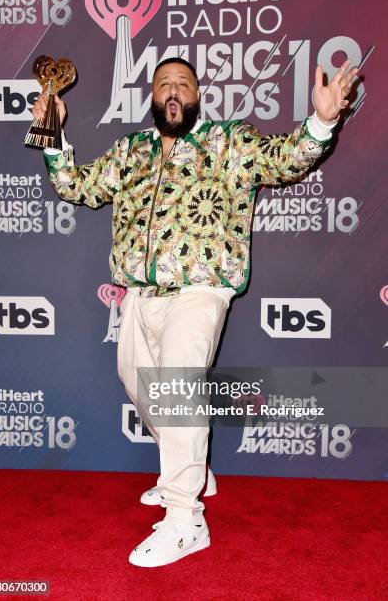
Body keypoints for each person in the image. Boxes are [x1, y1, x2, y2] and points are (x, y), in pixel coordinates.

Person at [33, 56, 358, 568]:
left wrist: (321, 121)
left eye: (183, 83)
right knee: (139, 386)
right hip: (138, 294)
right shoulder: (131, 151)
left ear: (198, 94)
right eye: (164, 83)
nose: (173, 90)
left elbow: (285, 159)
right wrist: (51, 132)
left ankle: (185, 519)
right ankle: (194, 470)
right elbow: (79, 186)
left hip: (200, 289)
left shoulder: (228, 142)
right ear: (152, 96)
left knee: (179, 390)